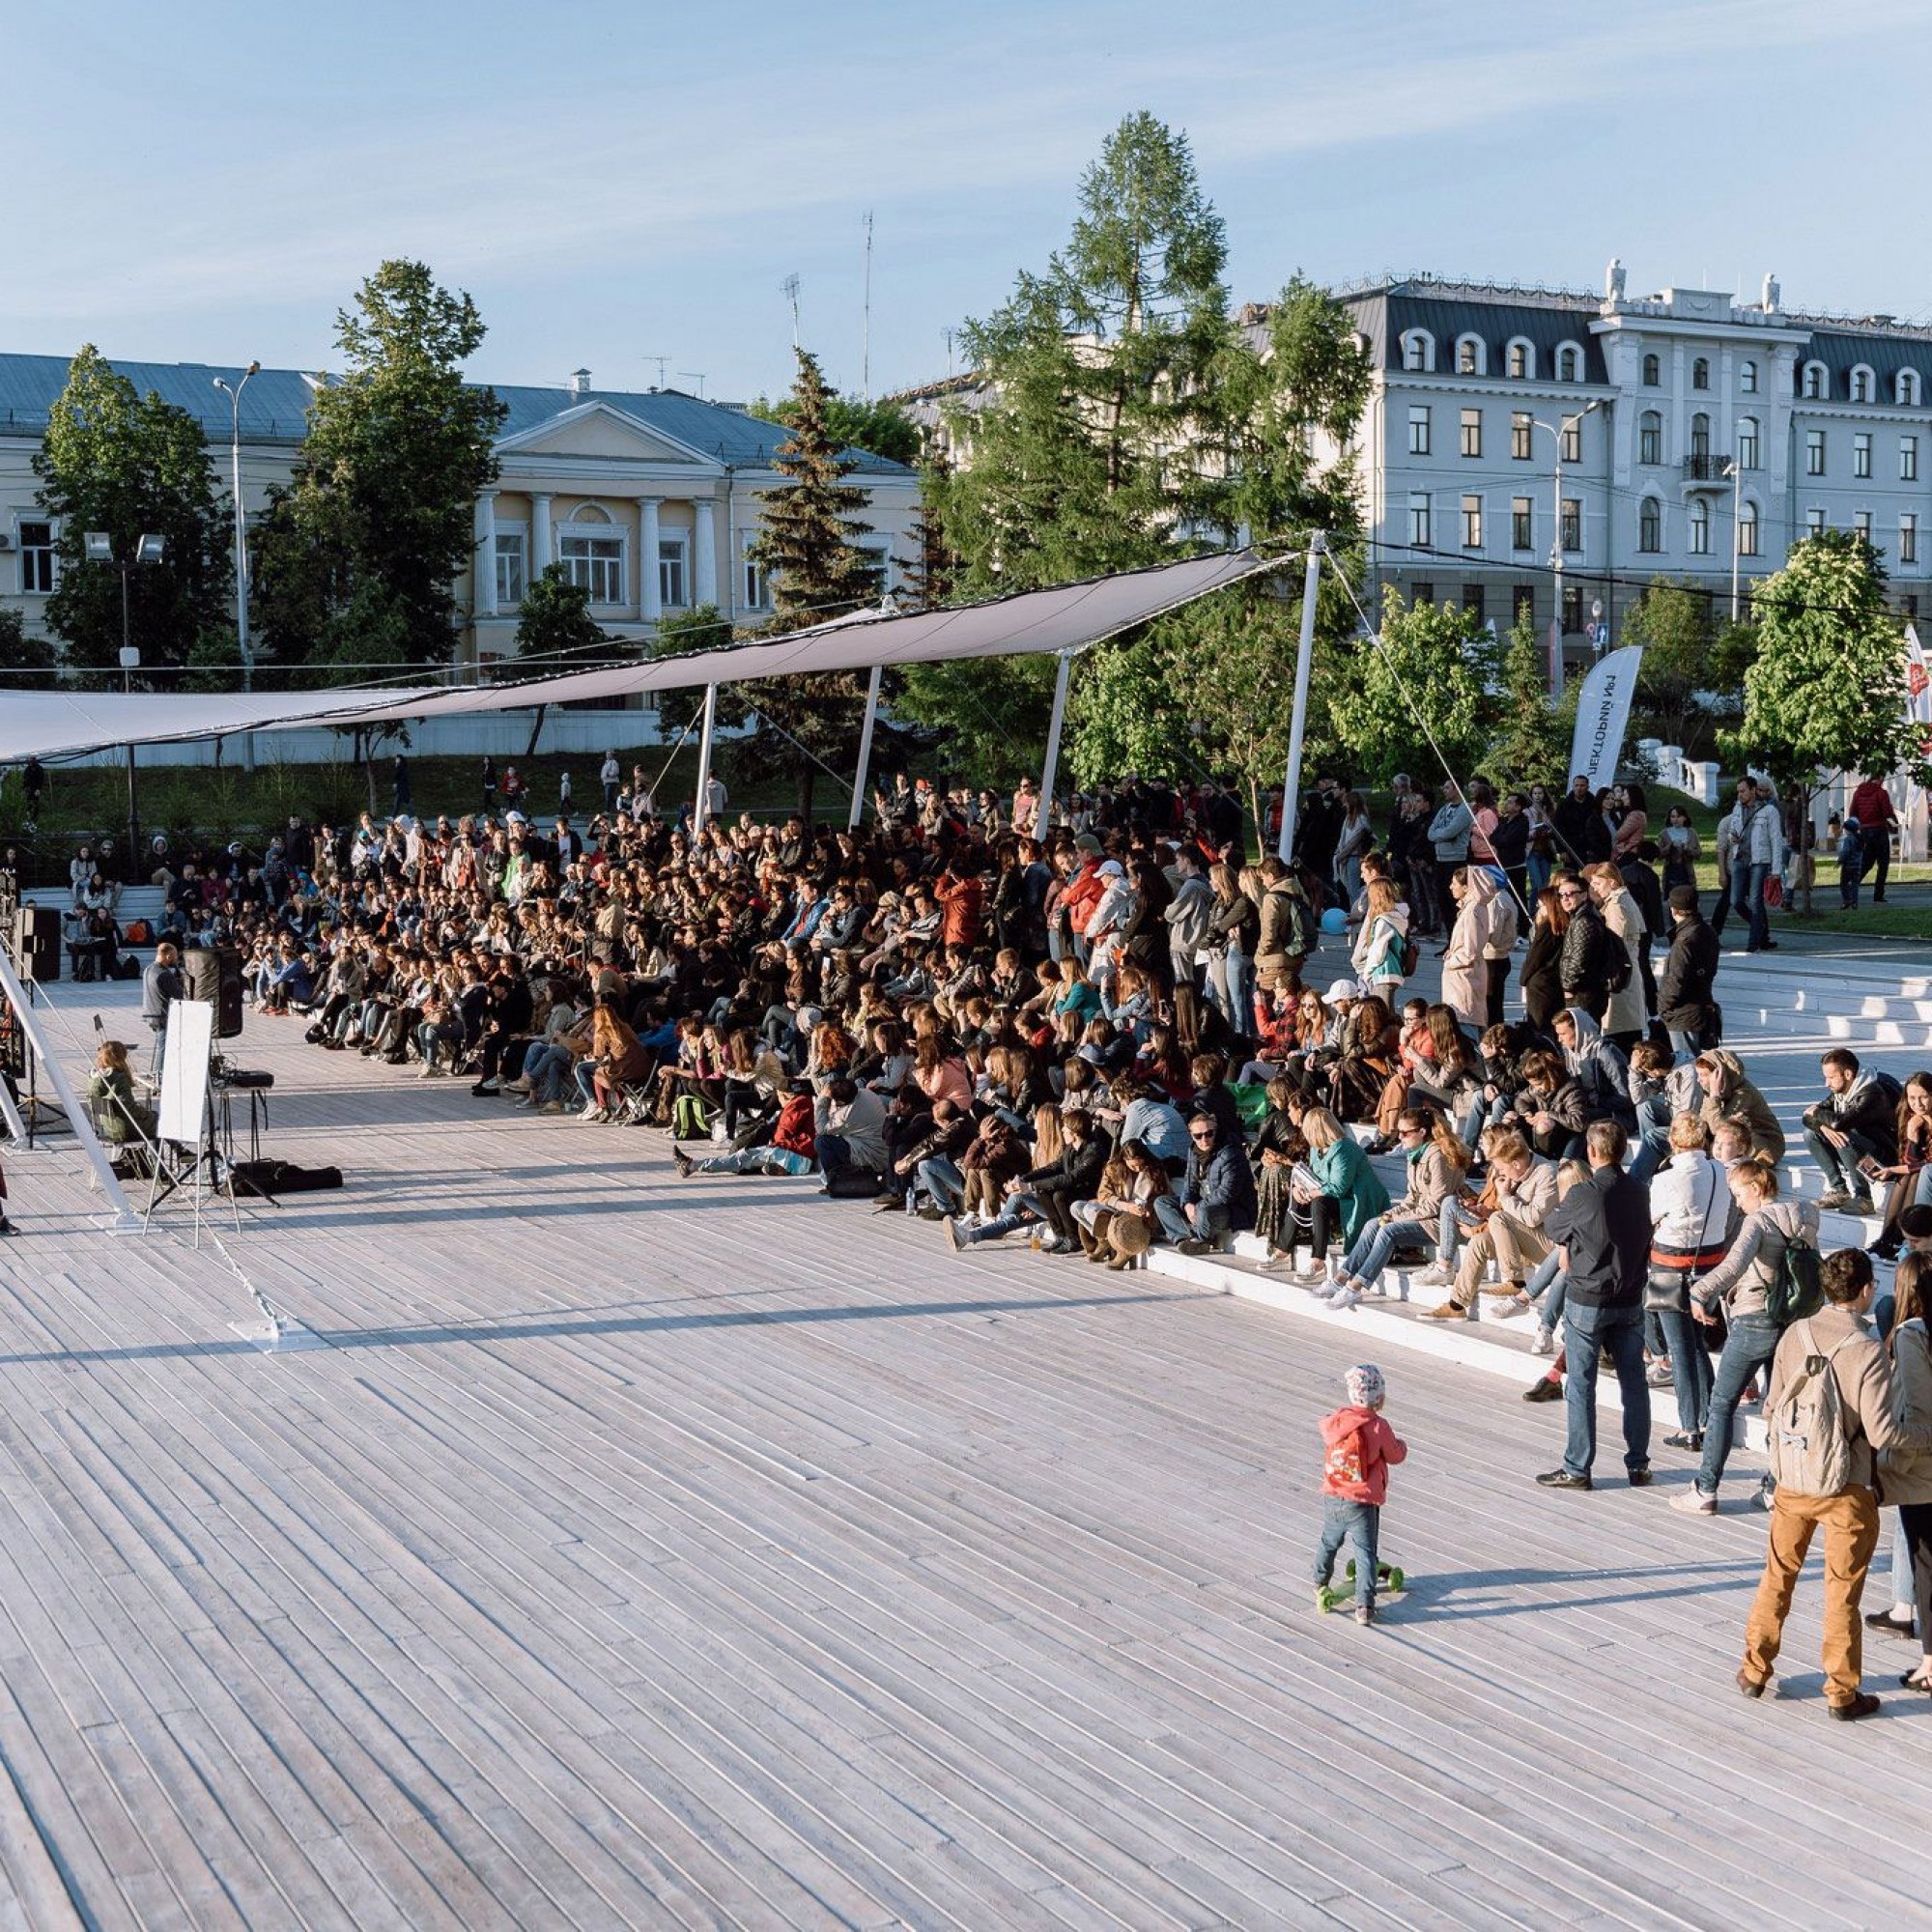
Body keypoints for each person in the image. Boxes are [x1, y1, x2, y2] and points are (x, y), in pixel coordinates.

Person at [1737, 1249, 1932, 1719]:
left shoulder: (1794, 1333)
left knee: (1777, 1576)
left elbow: (1772, 1407)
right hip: (1846, 1487)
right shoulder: (1866, 1350)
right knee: (1841, 1591)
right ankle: (1842, 1693)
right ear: (1866, 1290)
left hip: (1793, 1481)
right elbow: (1885, 1433)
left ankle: (1754, 1669)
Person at [1672, 1157, 1819, 1514]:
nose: (1737, 1202)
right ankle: (1774, 1487)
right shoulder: (1808, 1214)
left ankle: (1706, 1489)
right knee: (1781, 1405)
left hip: (1755, 1318)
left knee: (1722, 1403)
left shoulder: (1758, 1222)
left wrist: (1698, 1292)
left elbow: (1734, 1265)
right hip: (1794, 1321)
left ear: (1756, 1188)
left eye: (1739, 1194)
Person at [1535, 1121, 1653, 1492]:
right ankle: (1639, 1464)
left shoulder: (1583, 1194)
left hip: (1589, 1298)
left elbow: (1553, 1228)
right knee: (1634, 1383)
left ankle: (1577, 1467)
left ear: (1592, 1151)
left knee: (1581, 1385)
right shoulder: (1639, 1190)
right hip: (1631, 1296)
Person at [1646, 1113, 1733, 1451]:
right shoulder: (1720, 1171)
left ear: (1674, 1142)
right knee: (1696, 1343)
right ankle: (1709, 1417)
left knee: (1679, 1347)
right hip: (1710, 1264)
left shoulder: (1666, 1178)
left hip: (1670, 1265)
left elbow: (1652, 1219)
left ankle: (1689, 1426)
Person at [1326, 1110, 1467, 1308]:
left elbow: (1436, 1204)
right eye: (1398, 1132)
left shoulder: (1438, 1156)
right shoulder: (1415, 1155)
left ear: (1422, 1132)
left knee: (1388, 1231)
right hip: (1421, 1216)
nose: (1400, 1137)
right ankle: (1341, 1278)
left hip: (1438, 1222)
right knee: (1372, 1224)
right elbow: (1412, 1198)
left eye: (1405, 1133)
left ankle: (1356, 1286)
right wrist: (1392, 1213)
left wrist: (1398, 1219)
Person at [1314, 1363, 1407, 1627]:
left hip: (1333, 1495)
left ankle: (1319, 1581)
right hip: (1363, 1502)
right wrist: (1402, 1446)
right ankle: (1365, 1605)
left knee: (1329, 1542)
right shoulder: (1378, 1426)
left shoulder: (1338, 1420)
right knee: (1365, 1553)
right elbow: (1394, 1455)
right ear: (1378, 1398)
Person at [1802, 1048, 1899, 1213]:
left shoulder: (1872, 1094)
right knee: (1811, 1134)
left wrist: (1818, 1115)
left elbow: (1840, 1123)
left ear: (1847, 1074)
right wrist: (1823, 1127)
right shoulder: (1843, 1093)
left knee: (1843, 1136)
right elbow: (1806, 1118)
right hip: (1865, 1148)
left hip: (1888, 1157)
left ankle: (1863, 1197)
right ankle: (1839, 1190)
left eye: (1831, 1077)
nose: (1827, 1083)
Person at [1656, 886, 1719, 1058]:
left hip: (1682, 1013)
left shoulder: (1684, 941)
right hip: (1701, 1005)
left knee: (1686, 1065)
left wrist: (1662, 1006)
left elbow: (1676, 980)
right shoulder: (1707, 931)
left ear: (1673, 910)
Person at [1732, 776, 1784, 953]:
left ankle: (1753, 943)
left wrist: (1776, 870)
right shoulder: (1737, 808)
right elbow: (1733, 830)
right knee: (1736, 901)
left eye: (1743, 791)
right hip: (1740, 858)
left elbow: (1776, 840)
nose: (1740, 795)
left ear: (1753, 790)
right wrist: (1733, 837)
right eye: (1738, 791)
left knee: (1755, 900)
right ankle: (1760, 927)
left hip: (1759, 860)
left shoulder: (1769, 811)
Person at [1849, 774, 1900, 903]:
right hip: (1879, 830)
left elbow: (1852, 812)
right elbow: (1887, 813)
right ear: (1880, 779)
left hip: (1864, 831)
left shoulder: (1858, 793)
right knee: (1883, 863)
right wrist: (1894, 824)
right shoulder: (1881, 793)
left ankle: (1851, 887)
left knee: (1866, 862)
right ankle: (1878, 895)